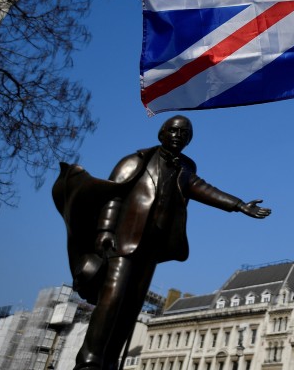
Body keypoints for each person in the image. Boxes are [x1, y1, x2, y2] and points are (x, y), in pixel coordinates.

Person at [53, 115, 270, 370]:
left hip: (152, 249)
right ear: (162, 133)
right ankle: (90, 360)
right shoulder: (136, 160)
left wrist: (239, 205)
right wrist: (105, 230)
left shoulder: (185, 169)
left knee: (131, 307)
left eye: (185, 134)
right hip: (124, 243)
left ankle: (110, 361)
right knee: (112, 300)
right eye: (175, 131)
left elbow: (206, 190)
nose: (179, 136)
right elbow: (113, 196)